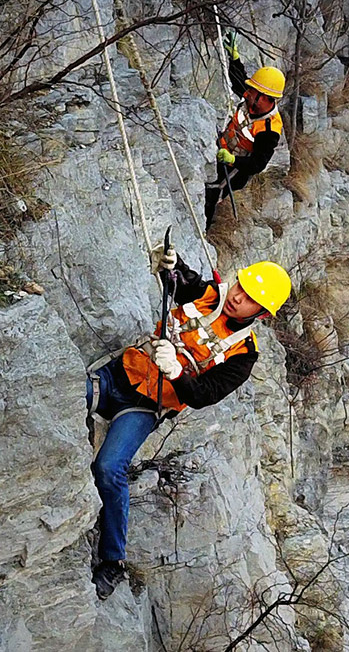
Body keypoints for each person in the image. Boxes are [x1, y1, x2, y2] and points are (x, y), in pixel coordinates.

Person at [87, 243, 292, 600]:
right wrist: (171, 264)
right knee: (66, 397)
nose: (238, 297)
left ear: (261, 313)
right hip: (118, 375)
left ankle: (113, 560)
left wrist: (178, 372)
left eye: (249, 298)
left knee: (109, 468)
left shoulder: (243, 357)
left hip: (145, 406)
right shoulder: (212, 296)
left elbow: (202, 395)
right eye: (241, 287)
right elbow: (183, 281)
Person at [205, 31, 285, 228]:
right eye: (250, 91)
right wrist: (235, 57)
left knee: (210, 195)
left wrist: (232, 160)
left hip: (234, 170)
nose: (247, 94)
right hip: (222, 148)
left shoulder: (269, 129)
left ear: (266, 98)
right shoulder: (253, 99)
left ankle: (205, 228)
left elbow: (258, 163)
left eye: (253, 92)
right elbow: (239, 79)